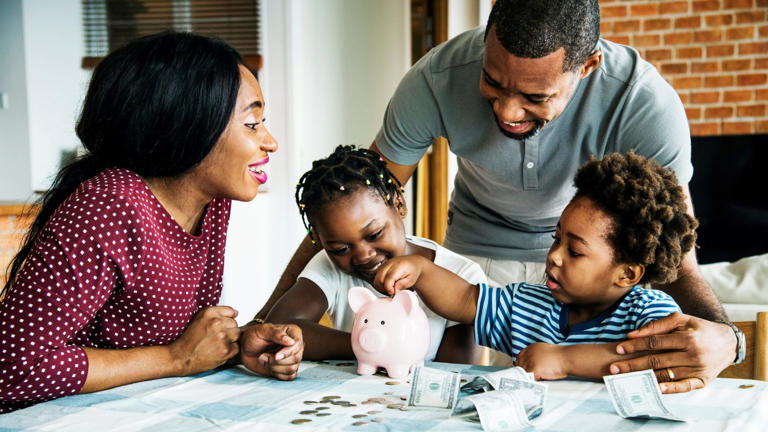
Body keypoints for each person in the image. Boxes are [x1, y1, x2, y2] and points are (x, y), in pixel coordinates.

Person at [255, 0, 741, 393]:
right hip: (475, 258)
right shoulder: (435, 79)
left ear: (588, 65)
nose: (508, 110)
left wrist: (728, 339)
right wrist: (259, 326)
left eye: (535, 97)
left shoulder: (643, 103)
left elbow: (680, 262)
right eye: (492, 81)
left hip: (593, 261)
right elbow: (355, 199)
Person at [0, 31, 303, 413]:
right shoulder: (110, 205)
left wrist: (237, 345)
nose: (270, 142)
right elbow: (11, 368)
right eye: (252, 123)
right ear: (190, 124)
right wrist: (177, 359)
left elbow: (173, 341)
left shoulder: (211, 204)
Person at [374, 152, 694, 384]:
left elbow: (656, 362)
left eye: (575, 252)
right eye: (557, 240)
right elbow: (464, 300)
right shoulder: (528, 304)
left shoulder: (650, 313)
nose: (554, 256)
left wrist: (564, 360)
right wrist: (421, 270)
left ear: (627, 274)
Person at [259, 145, 486, 368]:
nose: (363, 256)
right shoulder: (329, 265)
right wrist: (367, 344)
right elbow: (277, 329)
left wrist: (377, 346)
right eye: (340, 248)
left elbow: (456, 372)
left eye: (375, 234)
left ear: (399, 204)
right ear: (319, 241)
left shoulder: (463, 275)